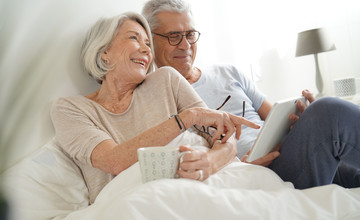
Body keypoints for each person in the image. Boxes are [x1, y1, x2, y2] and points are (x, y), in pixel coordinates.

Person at [142, 0, 360, 188]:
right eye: (173, 36)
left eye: (190, 34)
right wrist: (240, 167)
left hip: (295, 151)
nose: (186, 45)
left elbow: (276, 116)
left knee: (327, 122)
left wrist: (301, 119)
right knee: (329, 111)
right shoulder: (155, 99)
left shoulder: (229, 72)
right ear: (150, 41)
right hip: (263, 173)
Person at [50, 12, 260, 204]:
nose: (146, 50)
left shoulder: (166, 79)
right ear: (105, 51)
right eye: (134, 38)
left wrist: (210, 162)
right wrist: (187, 118)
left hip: (201, 185)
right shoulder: (71, 109)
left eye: (148, 43)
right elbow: (113, 161)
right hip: (132, 202)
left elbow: (225, 138)